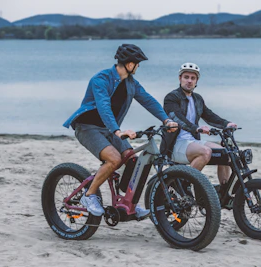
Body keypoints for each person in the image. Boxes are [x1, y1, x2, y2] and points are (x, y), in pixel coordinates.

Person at [63, 44, 177, 218]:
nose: (138, 66)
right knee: (114, 159)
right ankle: (89, 195)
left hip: (109, 128)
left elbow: (148, 100)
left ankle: (127, 202)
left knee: (132, 158)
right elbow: (104, 107)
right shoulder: (100, 79)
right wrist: (117, 130)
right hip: (88, 127)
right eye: (138, 63)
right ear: (130, 64)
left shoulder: (131, 84)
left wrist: (166, 119)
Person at [160, 62, 237, 187]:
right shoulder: (171, 97)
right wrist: (196, 128)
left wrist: (226, 124)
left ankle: (224, 191)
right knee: (205, 152)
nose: (189, 81)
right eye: (186, 77)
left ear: (197, 81)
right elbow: (177, 118)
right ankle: (185, 185)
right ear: (180, 78)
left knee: (225, 153)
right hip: (175, 145)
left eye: (193, 78)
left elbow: (209, 115)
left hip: (192, 142)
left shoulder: (197, 99)